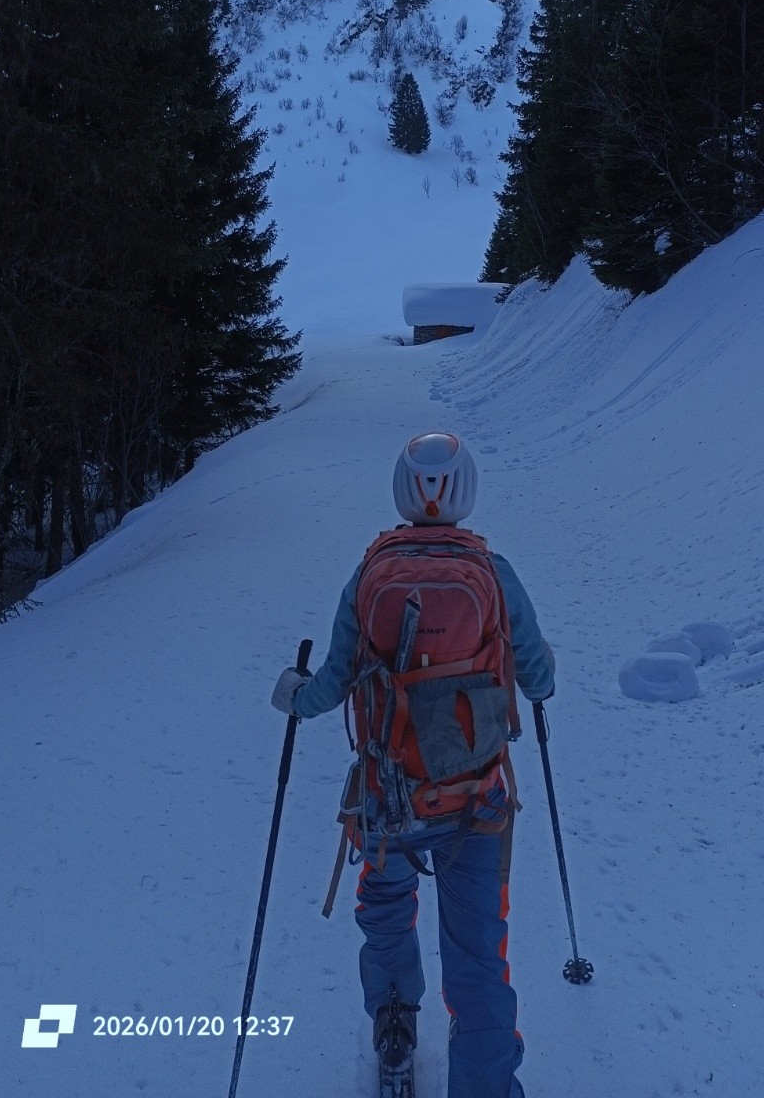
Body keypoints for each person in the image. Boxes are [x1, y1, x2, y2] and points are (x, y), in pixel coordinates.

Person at [272, 431, 555, 1098]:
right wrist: (542, 684)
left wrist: (292, 693)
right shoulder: (493, 571)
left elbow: (332, 684)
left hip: (387, 796)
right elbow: (537, 672)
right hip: (476, 800)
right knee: (479, 958)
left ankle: (395, 1021)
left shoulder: (371, 571)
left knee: (388, 903)